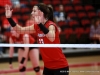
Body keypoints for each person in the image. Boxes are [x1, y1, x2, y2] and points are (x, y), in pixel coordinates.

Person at [5, 3, 69, 75]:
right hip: (48, 67)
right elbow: (20, 30)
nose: (32, 13)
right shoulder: (36, 26)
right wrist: (9, 18)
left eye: (34, 11)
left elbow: (51, 38)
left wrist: (40, 24)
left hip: (60, 67)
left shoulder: (51, 25)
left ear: (41, 13)